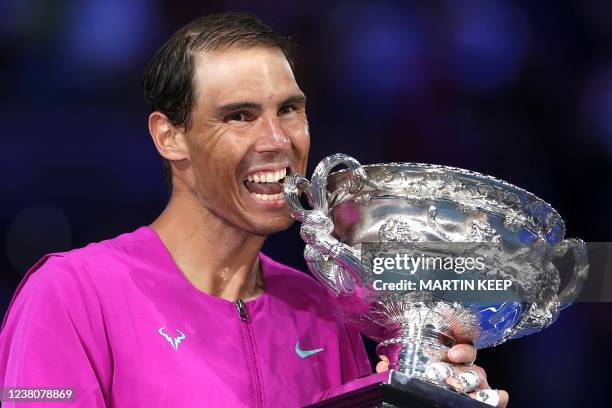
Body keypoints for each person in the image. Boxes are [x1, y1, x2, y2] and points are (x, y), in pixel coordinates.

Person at [0, 12, 508, 407]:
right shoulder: (71, 294)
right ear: (170, 136)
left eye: (289, 110)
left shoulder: (327, 313)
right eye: (238, 116)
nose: (276, 140)